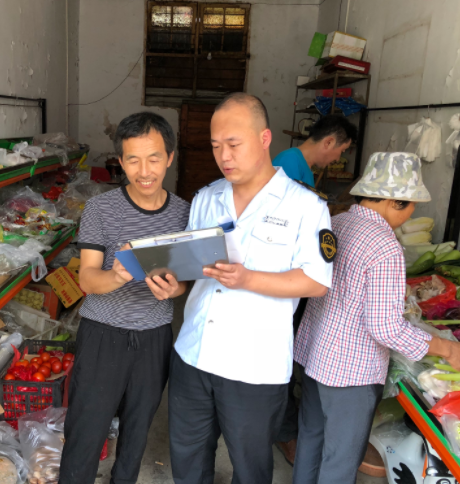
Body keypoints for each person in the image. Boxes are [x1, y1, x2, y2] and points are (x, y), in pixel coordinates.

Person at [168, 92, 335, 484]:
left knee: (250, 468)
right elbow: (190, 266)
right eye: (215, 146)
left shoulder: (305, 206)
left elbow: (316, 282)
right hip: (193, 354)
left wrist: (248, 279)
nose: (224, 156)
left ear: (264, 139)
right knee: (187, 460)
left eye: (233, 144)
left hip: (254, 367)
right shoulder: (206, 198)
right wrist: (171, 283)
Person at [292, 152, 460, 484]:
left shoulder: (337, 223)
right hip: (350, 371)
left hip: (314, 354)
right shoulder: (385, 246)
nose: (411, 213)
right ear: (396, 202)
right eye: (412, 205)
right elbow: (386, 328)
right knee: (340, 459)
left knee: (311, 437)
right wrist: (447, 348)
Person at [59, 112, 191, 484]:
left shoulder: (184, 214)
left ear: (170, 157)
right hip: (102, 336)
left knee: (137, 432)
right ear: (120, 161)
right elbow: (87, 279)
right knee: (86, 431)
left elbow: (185, 280)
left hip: (154, 338)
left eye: (154, 159)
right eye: (133, 160)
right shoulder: (101, 209)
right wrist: (117, 275)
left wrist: (175, 289)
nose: (144, 171)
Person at [274, 113, 358, 464]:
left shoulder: (300, 167)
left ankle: (287, 424)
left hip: (296, 282)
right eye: (340, 151)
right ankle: (284, 432)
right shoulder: (287, 165)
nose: (337, 158)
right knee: (279, 358)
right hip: (283, 282)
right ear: (329, 141)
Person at [272, 114, 358, 187]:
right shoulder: (290, 161)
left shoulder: (306, 167)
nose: (338, 159)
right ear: (328, 143)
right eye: (342, 151)